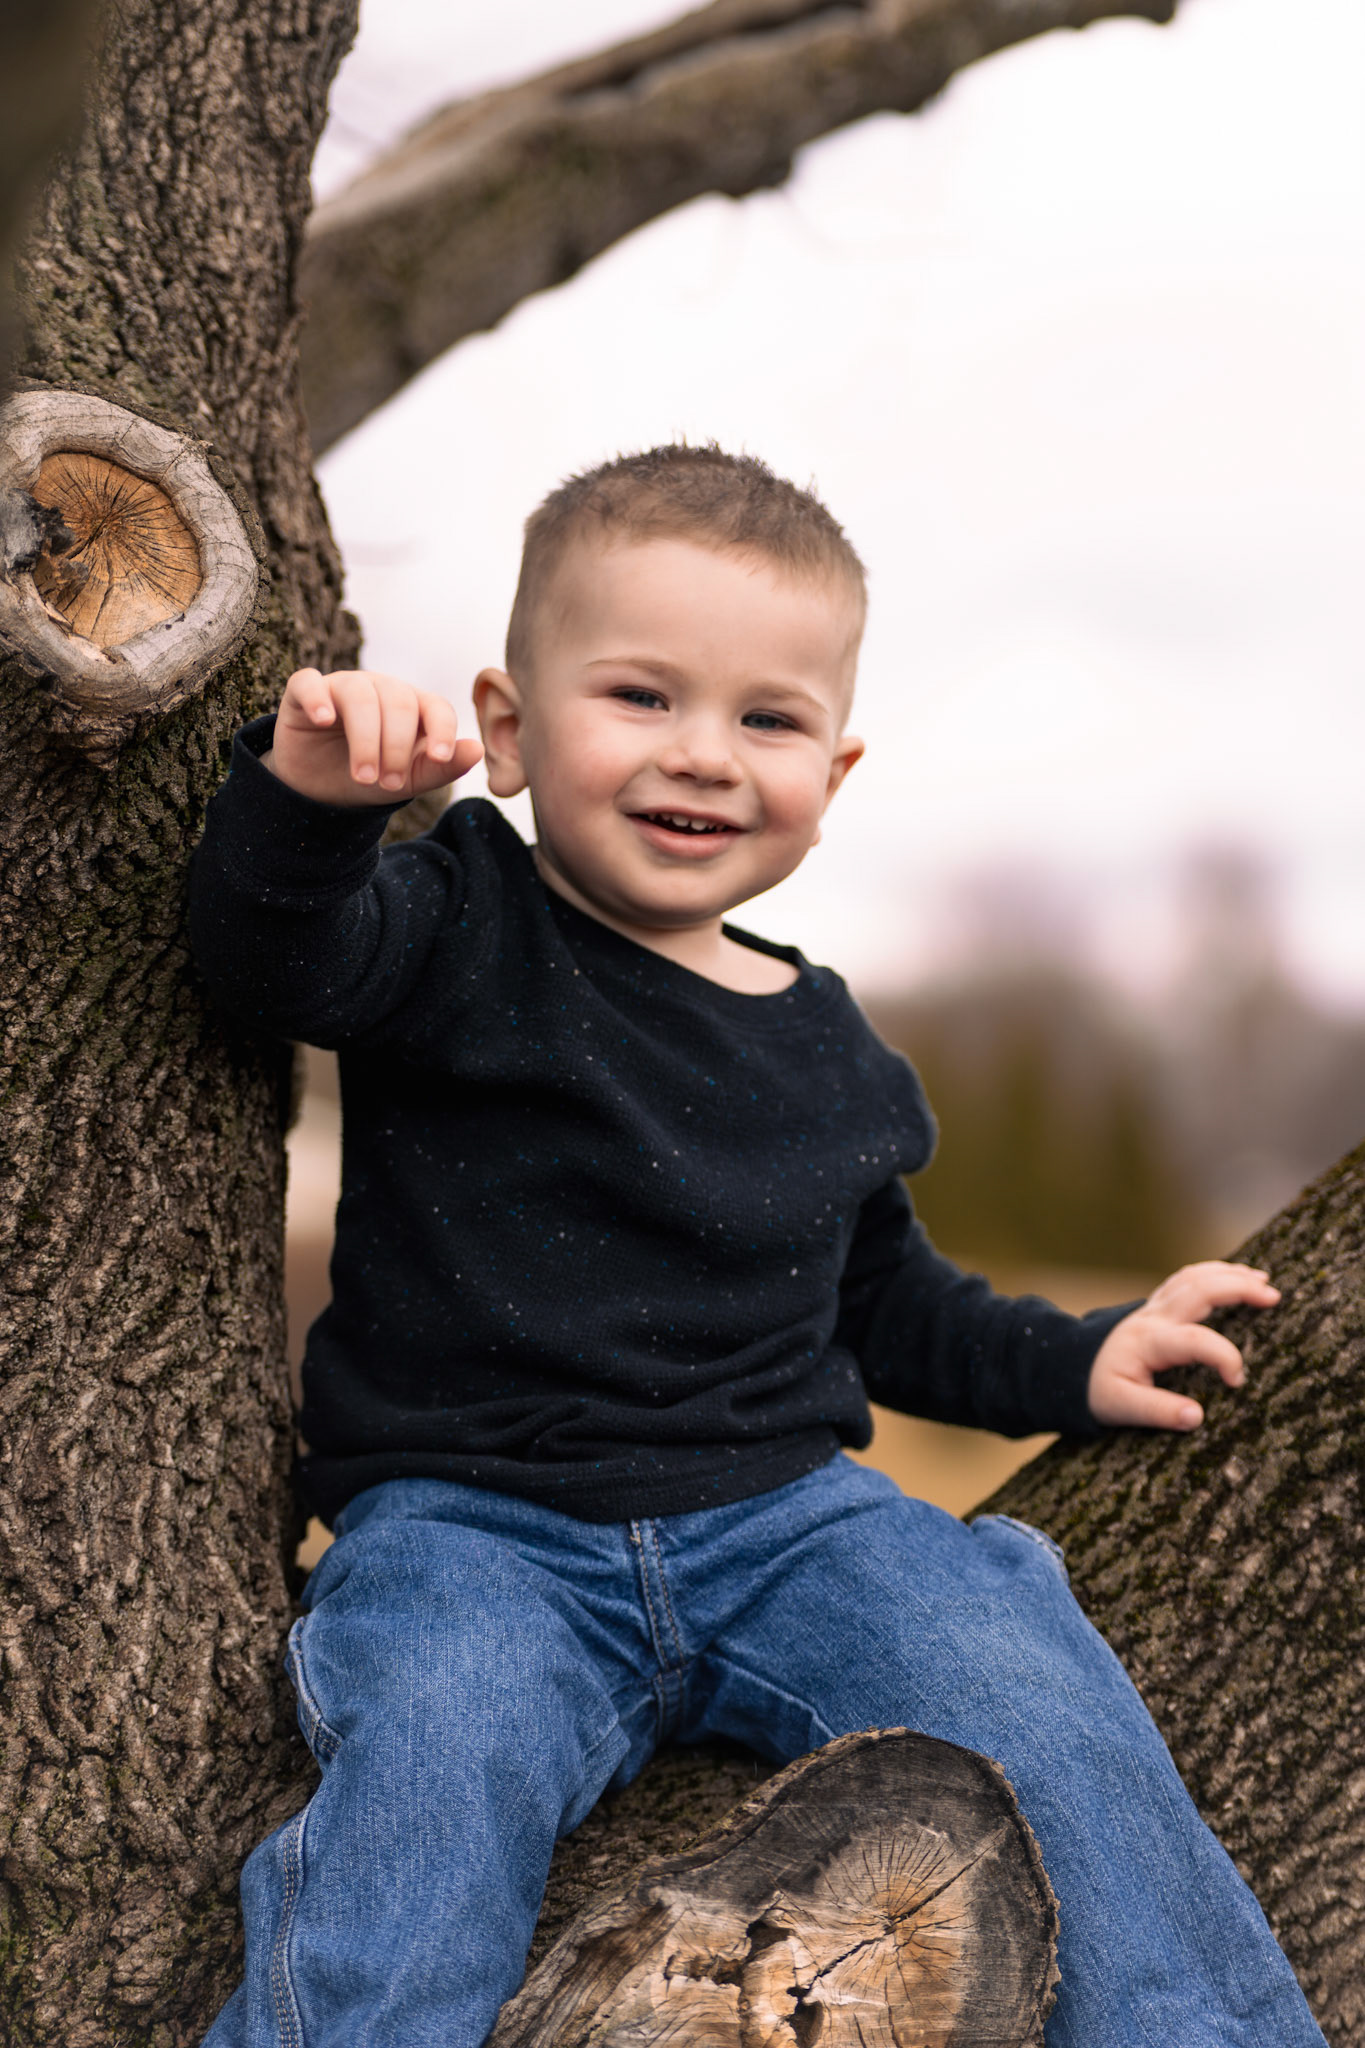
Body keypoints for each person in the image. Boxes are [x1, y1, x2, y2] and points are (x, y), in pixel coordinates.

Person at [190, 444, 1325, 2047]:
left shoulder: (831, 1043)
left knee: (1030, 1700)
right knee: (428, 1779)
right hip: (478, 1536)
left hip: (790, 1527)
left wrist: (1079, 1357)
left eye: (767, 720)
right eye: (639, 695)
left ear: (832, 777)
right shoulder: (451, 919)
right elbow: (268, 965)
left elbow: (889, 1306)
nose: (704, 755)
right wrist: (310, 804)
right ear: (507, 728)